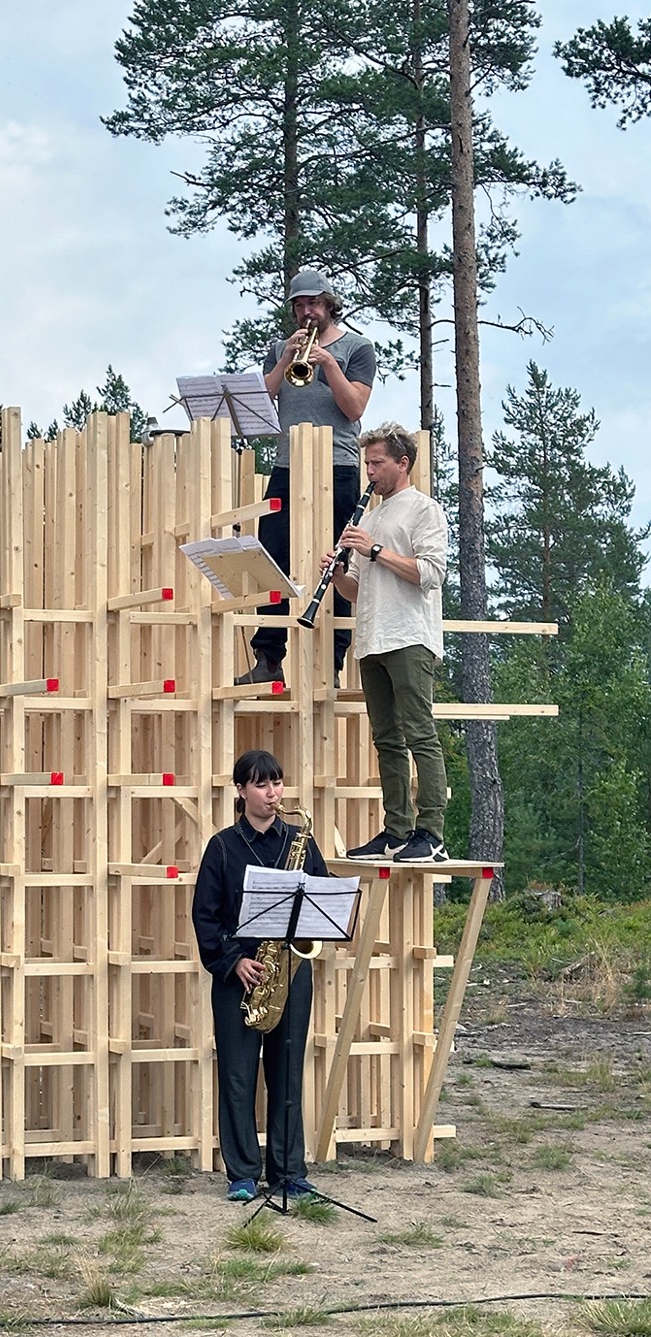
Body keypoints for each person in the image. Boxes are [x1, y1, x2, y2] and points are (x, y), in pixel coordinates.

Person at [192, 749, 329, 1201]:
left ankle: (289, 1171)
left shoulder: (302, 844)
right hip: (240, 975)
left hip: (289, 972)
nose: (273, 794)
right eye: (261, 785)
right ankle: (243, 1175)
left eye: (277, 783)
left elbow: (321, 905)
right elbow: (205, 917)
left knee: (288, 1073)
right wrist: (233, 961)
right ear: (240, 791)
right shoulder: (222, 847)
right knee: (237, 1075)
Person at [236, 269, 376, 687]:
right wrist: (284, 360)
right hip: (287, 464)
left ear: (330, 305)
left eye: (314, 304)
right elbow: (262, 399)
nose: (306, 312)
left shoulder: (358, 347)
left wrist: (328, 364)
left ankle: (331, 663)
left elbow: (354, 409)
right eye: (299, 305)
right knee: (272, 557)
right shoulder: (282, 348)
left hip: (340, 465)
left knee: (339, 562)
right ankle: (269, 656)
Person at [323, 423, 450, 864]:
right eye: (367, 463)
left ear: (403, 463)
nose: (370, 472)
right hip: (372, 637)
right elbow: (355, 591)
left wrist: (375, 550)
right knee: (387, 739)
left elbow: (431, 573)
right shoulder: (369, 517)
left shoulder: (424, 510)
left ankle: (431, 833)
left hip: (410, 635)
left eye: (377, 463)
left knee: (420, 734)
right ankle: (397, 831)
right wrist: (338, 572)